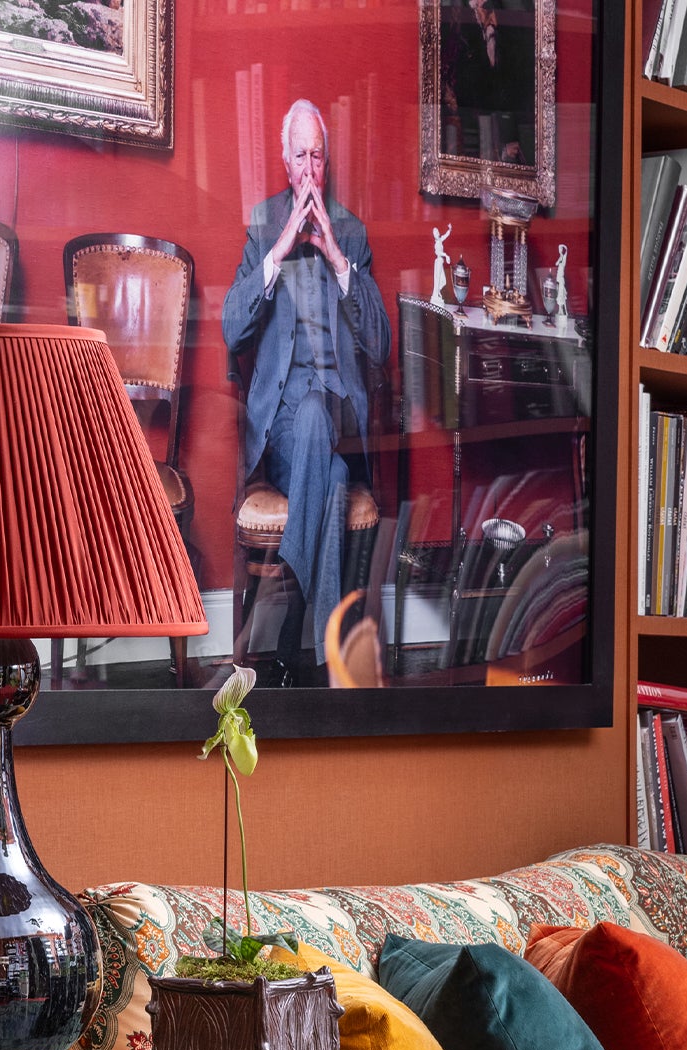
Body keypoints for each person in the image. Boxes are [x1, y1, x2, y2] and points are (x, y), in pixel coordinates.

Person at [220, 99, 391, 672]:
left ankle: (293, 630)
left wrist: (337, 259)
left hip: (338, 416)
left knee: (323, 416)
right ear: (285, 161)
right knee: (334, 478)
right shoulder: (264, 223)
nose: (310, 170)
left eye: (318, 157)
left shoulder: (352, 232)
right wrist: (280, 248)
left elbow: (381, 345)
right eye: (300, 157)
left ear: (327, 163)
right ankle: (322, 653)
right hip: (283, 426)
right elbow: (232, 328)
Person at [448, 0, 535, 166]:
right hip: (479, 128)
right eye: (480, 6)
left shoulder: (508, 32)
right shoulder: (463, 35)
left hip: (508, 127)